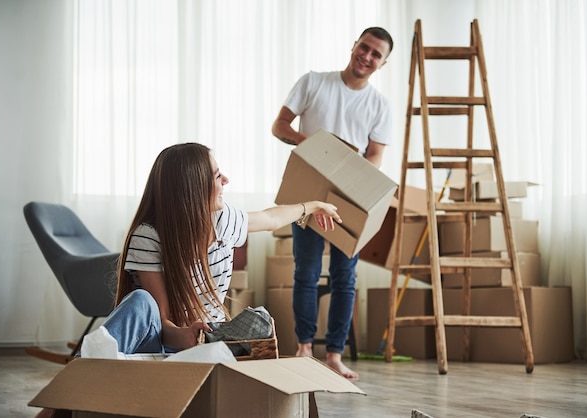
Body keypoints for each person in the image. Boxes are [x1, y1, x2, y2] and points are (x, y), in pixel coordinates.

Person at [96, 143, 342, 355]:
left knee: (260, 319)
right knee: (140, 301)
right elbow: (161, 322)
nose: (226, 180)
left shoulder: (223, 220)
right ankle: (87, 370)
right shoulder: (149, 235)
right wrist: (185, 336)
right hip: (163, 340)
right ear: (192, 187)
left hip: (208, 338)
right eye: (216, 176)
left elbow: (270, 219)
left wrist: (314, 206)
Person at [271, 27, 394, 379]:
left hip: (349, 200)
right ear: (354, 45)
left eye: (376, 54)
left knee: (345, 277)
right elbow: (279, 125)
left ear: (383, 64)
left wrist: (351, 180)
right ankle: (305, 347)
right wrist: (312, 145)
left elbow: (374, 155)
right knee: (305, 273)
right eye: (364, 47)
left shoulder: (379, 105)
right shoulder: (313, 82)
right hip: (308, 193)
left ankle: (335, 356)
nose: (366, 57)